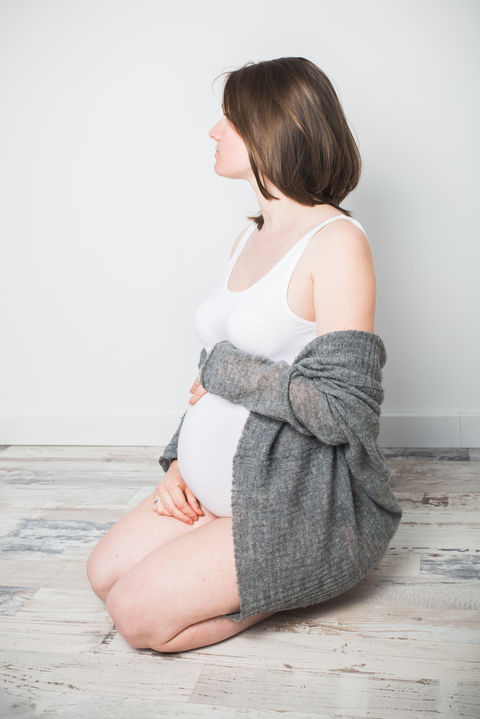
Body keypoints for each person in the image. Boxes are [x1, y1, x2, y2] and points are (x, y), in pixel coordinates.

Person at [87, 56, 379, 652]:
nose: (213, 131)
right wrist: (179, 464)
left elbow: (345, 409)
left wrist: (223, 371)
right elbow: (211, 378)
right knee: (103, 574)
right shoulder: (249, 237)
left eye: (230, 119)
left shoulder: (337, 243)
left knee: (137, 618)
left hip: (286, 500)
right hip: (212, 490)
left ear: (272, 126)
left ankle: (295, 575)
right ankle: (228, 553)